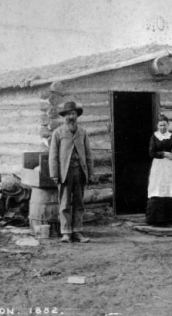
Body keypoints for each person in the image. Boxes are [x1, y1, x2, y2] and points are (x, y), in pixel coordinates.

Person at [49, 101, 96, 243]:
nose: (71, 116)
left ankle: (77, 231)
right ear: (64, 116)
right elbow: (53, 155)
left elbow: (88, 154)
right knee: (64, 203)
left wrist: (91, 172)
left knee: (79, 203)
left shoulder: (83, 132)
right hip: (65, 172)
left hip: (79, 171)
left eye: (73, 114)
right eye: (68, 114)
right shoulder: (58, 132)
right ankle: (66, 233)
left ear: (77, 116)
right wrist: (54, 174)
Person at [146, 114, 172, 226]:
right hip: (158, 166)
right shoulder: (154, 137)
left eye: (164, 125)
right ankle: (156, 219)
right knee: (158, 187)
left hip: (170, 166)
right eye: (160, 125)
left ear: (168, 125)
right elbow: (151, 153)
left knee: (171, 187)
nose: (162, 128)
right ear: (157, 125)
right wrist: (164, 153)